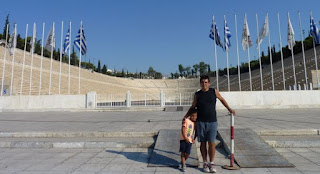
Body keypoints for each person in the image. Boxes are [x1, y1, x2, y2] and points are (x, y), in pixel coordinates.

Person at [184, 75, 235, 173]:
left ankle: (211, 163)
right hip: (201, 122)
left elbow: (222, 100)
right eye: (202, 82)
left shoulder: (214, 91)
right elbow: (193, 106)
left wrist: (229, 109)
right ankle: (205, 163)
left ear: (209, 83)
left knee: (211, 143)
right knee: (203, 143)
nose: (204, 84)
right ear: (200, 83)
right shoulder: (197, 94)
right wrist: (186, 116)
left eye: (206, 82)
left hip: (212, 122)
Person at [179, 108, 197, 172]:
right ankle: (184, 165)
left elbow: (192, 132)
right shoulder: (186, 120)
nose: (194, 117)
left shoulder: (194, 123)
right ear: (190, 115)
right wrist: (185, 137)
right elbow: (183, 129)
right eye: (192, 116)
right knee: (183, 152)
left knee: (188, 153)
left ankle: (182, 162)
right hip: (183, 139)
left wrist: (193, 139)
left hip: (189, 140)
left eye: (195, 116)